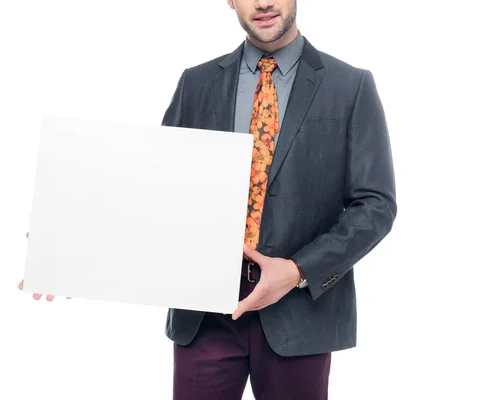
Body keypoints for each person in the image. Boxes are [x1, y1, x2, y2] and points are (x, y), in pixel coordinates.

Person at [20, 0, 397, 398]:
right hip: (203, 315)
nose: (264, 2)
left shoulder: (350, 86)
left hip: (298, 312)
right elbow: (155, 191)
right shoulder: (196, 83)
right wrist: (78, 247)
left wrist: (297, 270)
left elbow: (375, 205)